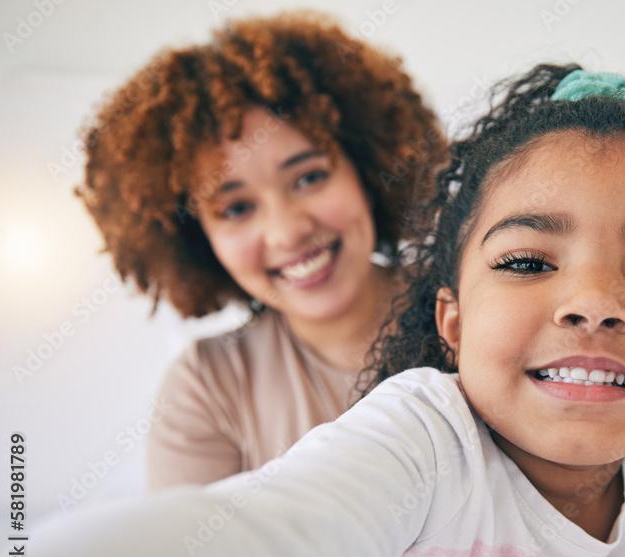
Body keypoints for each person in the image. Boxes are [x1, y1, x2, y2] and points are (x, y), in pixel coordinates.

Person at [20, 65, 625, 557]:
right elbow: (249, 547)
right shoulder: (422, 433)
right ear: (452, 319)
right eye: (526, 261)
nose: (594, 302)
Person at [76, 11, 446, 488]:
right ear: (197, 240)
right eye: (235, 209)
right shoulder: (208, 387)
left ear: (367, 171)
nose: (286, 231)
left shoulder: (479, 303)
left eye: (309, 177)